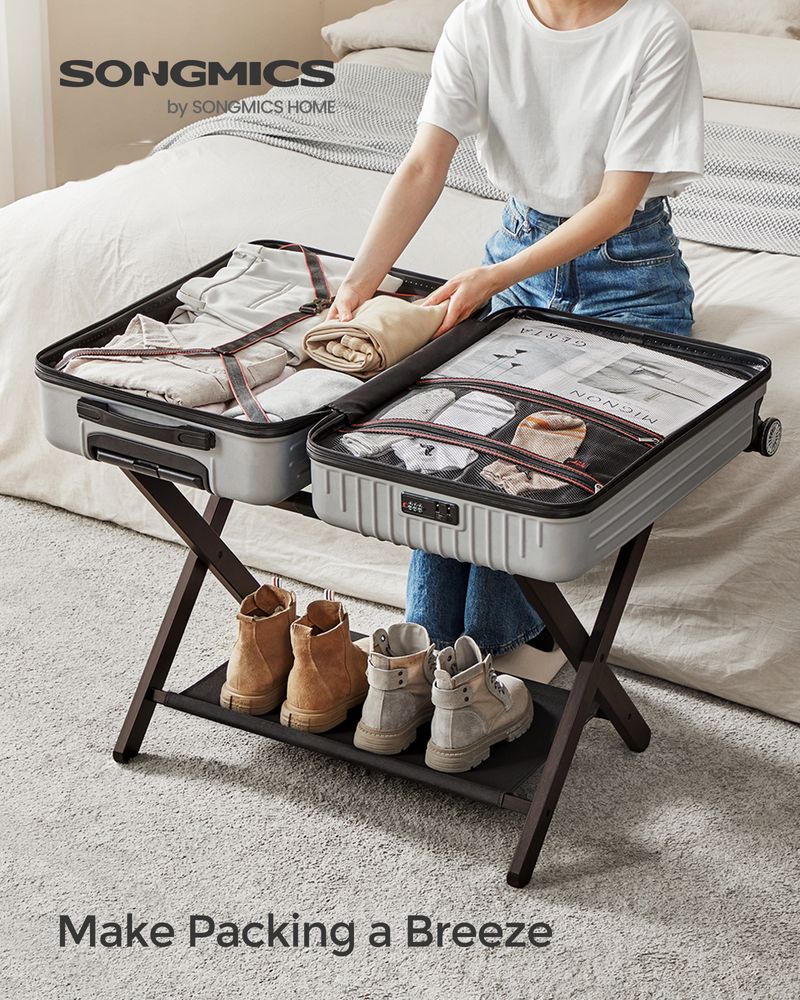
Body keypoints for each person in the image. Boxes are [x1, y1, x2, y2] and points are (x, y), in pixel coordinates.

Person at [328, 0, 704, 674]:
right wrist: (358, 284)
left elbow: (616, 204)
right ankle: (428, 657)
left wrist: (492, 276)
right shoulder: (481, 20)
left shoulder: (653, 29)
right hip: (519, 251)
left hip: (631, 281)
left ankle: (485, 655)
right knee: (452, 441)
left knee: (532, 449)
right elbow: (422, 165)